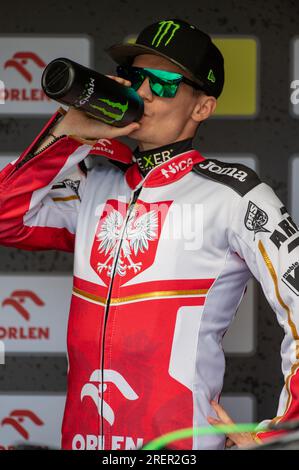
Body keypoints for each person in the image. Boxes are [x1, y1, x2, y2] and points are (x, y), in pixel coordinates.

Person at [0, 17, 298, 450]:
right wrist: (65, 137)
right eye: (135, 77)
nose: (141, 92)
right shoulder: (93, 184)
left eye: (161, 83)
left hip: (177, 451)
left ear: (202, 107)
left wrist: (280, 439)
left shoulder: (235, 196)